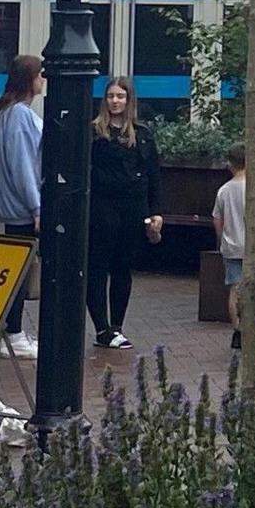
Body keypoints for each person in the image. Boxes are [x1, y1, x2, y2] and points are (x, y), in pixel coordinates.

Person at [87, 79, 163, 350]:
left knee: (123, 266)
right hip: (104, 205)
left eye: (120, 96)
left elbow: (153, 173)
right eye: (110, 96)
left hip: (134, 206)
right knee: (97, 266)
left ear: (129, 100)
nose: (115, 101)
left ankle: (116, 325)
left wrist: (156, 211)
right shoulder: (95, 132)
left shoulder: (142, 133)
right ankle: (102, 328)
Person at [0, 52, 44, 363]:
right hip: (23, 207)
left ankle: (13, 331)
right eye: (40, 74)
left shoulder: (6, 111)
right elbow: (24, 165)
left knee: (19, 268)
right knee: (22, 272)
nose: (43, 80)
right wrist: (37, 206)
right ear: (30, 79)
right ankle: (14, 333)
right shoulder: (20, 116)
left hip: (14, 206)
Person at [212, 144, 250, 359]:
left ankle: (237, 329)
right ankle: (253, 326)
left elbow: (218, 219)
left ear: (230, 164)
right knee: (252, 287)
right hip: (251, 247)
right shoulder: (253, 189)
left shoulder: (224, 190)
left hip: (231, 245)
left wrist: (222, 239)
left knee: (234, 288)